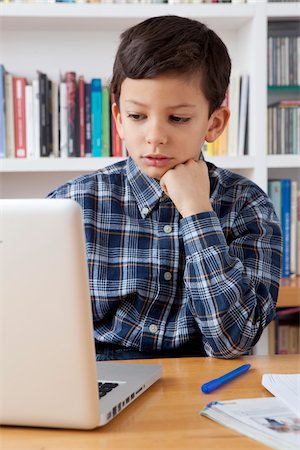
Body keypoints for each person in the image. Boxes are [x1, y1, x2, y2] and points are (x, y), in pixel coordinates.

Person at [48, 15, 282, 360]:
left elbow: (233, 341)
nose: (155, 136)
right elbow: (38, 331)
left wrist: (198, 213)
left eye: (178, 118)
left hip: (200, 385)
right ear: (118, 120)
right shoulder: (70, 206)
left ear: (214, 123)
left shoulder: (247, 205)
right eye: (137, 116)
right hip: (98, 380)